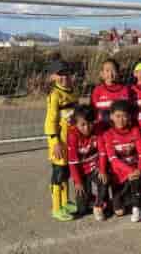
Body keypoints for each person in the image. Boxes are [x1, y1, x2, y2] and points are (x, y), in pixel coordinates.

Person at [44, 60, 78, 221]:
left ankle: (65, 202)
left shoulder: (72, 91)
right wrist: (55, 142)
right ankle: (56, 208)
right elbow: (50, 121)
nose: (65, 77)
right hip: (58, 142)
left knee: (66, 173)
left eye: (67, 73)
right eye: (60, 74)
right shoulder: (54, 95)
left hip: (70, 140)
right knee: (58, 175)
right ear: (53, 77)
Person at [103, 100, 141, 222]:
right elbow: (113, 159)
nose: (121, 120)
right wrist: (130, 171)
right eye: (118, 116)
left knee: (136, 182)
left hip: (135, 173)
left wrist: (139, 170)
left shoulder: (135, 130)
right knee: (119, 212)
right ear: (111, 116)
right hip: (119, 174)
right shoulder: (108, 134)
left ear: (130, 116)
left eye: (125, 116)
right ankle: (122, 200)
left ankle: (137, 209)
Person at [67, 104, 108, 221]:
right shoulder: (72, 136)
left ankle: (98, 205)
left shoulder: (97, 131)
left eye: (90, 123)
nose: (87, 127)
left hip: (94, 167)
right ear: (76, 124)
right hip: (81, 171)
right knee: (82, 209)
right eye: (83, 124)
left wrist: (102, 169)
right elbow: (73, 163)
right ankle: (90, 199)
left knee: (104, 179)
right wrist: (78, 182)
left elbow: (102, 153)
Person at [91, 59, 131, 127]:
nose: (110, 74)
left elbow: (128, 111)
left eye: (113, 70)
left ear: (118, 72)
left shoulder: (125, 89)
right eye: (107, 71)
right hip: (102, 128)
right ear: (102, 74)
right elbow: (93, 112)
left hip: (120, 128)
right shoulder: (97, 90)